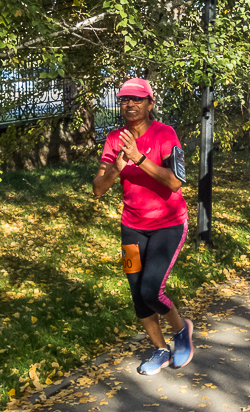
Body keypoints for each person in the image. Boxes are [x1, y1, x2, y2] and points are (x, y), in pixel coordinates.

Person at [93, 78, 194, 376]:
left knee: (151, 289)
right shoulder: (114, 140)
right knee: (137, 292)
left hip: (169, 223)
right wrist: (116, 167)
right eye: (124, 99)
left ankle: (180, 330)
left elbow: (175, 181)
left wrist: (139, 158)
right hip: (131, 227)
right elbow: (98, 188)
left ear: (150, 103)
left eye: (137, 99)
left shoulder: (165, 134)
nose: (130, 104)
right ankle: (160, 349)